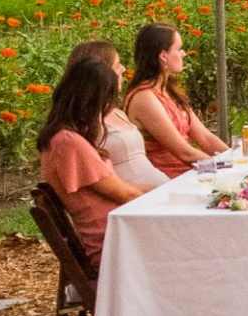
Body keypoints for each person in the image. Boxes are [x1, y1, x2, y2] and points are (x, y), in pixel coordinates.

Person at [39, 49, 154, 261]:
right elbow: (126, 195)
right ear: (92, 100)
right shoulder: (68, 143)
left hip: (119, 231)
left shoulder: (66, 138)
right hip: (112, 242)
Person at [123, 23, 230, 175]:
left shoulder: (168, 91)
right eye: (179, 49)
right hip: (167, 181)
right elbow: (184, 153)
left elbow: (205, 138)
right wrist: (223, 168)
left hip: (189, 173)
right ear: (163, 56)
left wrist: (234, 160)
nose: (183, 54)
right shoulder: (144, 98)